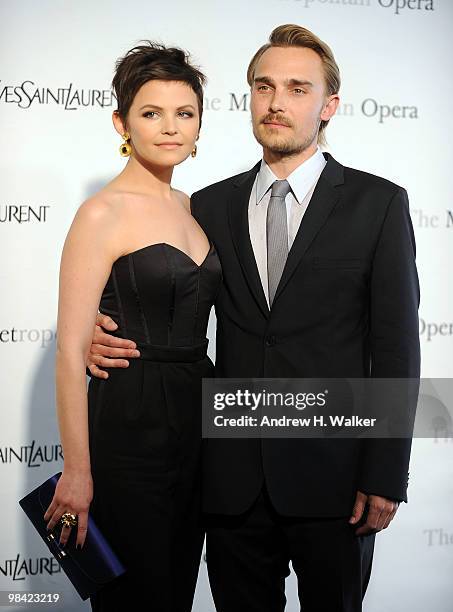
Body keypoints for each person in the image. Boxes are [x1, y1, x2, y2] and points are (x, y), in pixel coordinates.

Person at [88, 25, 420, 612]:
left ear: (328, 106)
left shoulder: (379, 204)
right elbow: (174, 297)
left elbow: (395, 347)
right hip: (229, 479)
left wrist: (386, 472)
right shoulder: (207, 205)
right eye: (263, 87)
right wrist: (100, 332)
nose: (276, 102)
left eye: (297, 88)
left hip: (335, 477)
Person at [43, 42, 221, 612]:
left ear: (198, 125)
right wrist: (76, 470)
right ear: (121, 122)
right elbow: (72, 353)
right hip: (130, 421)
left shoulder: (198, 209)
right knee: (134, 595)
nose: (170, 127)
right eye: (151, 113)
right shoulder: (102, 213)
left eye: (184, 113)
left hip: (200, 420)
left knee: (176, 592)